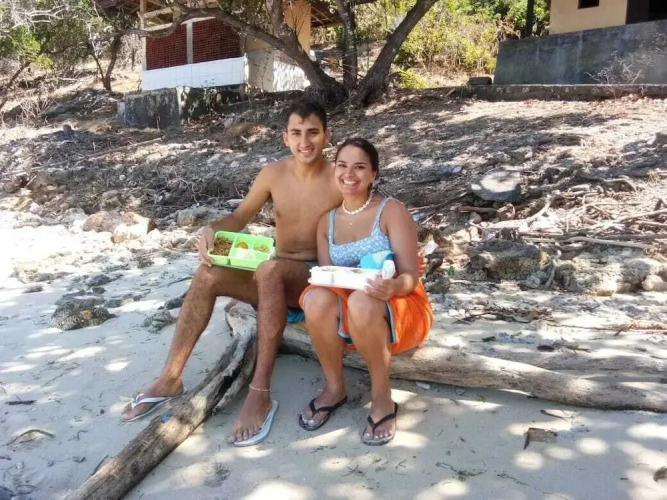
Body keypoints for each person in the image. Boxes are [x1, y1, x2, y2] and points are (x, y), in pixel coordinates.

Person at [121, 99, 343, 447]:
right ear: (285, 137)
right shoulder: (273, 173)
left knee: (269, 269)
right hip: (274, 276)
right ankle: (170, 378)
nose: (305, 142)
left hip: (313, 281)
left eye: (313, 132)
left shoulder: (339, 177)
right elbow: (239, 218)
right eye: (297, 133)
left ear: (327, 135)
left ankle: (260, 392)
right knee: (208, 274)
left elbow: (365, 219)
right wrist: (212, 229)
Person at [297, 138, 433, 446]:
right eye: (342, 165)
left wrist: (392, 286)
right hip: (353, 312)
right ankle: (334, 388)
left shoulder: (391, 210)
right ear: (334, 169)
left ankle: (382, 397)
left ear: (374, 174)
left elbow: (410, 276)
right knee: (316, 297)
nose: (349, 174)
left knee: (361, 300)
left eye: (359, 167)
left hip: (399, 304)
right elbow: (329, 278)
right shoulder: (326, 222)